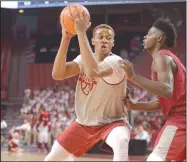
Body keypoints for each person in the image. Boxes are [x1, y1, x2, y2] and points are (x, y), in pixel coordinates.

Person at [44, 11, 130, 161]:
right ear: (93, 41)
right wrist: (66, 38)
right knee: (50, 159)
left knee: (121, 142)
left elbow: (93, 71)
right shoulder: (81, 59)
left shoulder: (116, 62)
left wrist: (81, 32)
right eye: (100, 37)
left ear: (113, 43)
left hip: (112, 122)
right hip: (83, 124)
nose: (104, 40)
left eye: (108, 38)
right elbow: (58, 74)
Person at [121, 18, 186, 161]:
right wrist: (134, 105)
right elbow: (162, 101)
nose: (145, 37)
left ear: (159, 38)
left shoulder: (162, 57)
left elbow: (166, 90)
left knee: (155, 158)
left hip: (181, 121)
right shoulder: (167, 59)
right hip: (179, 119)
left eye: (149, 34)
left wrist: (132, 77)